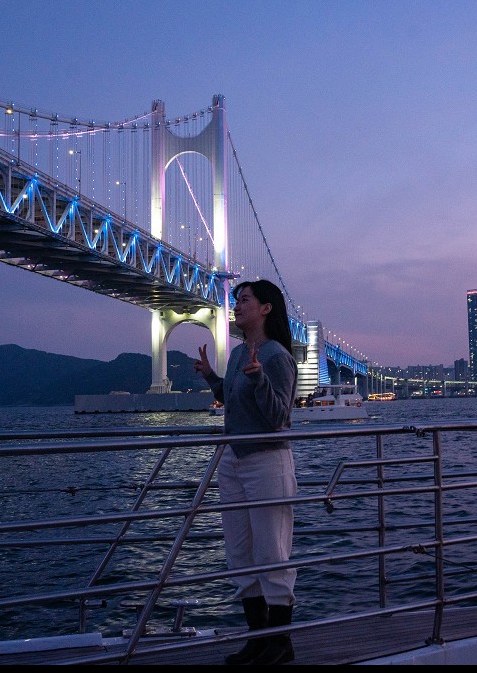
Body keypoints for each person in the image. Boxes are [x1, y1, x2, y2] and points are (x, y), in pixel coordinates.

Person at [194, 279, 299, 666]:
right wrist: (210, 376)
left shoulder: (276, 357)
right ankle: (257, 639)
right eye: (236, 299)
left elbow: (278, 418)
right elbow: (232, 398)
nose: (236, 305)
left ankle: (280, 643)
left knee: (272, 551)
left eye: (244, 299)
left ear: (266, 308)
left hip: (267, 461)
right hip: (233, 461)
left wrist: (257, 378)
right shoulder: (239, 354)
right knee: (240, 554)